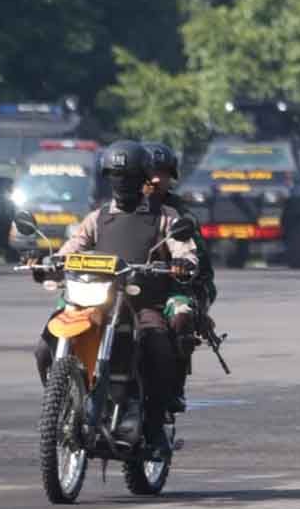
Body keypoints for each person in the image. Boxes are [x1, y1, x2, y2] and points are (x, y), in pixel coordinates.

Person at [33, 140, 197, 451]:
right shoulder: (96, 218)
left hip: (142, 302)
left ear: (142, 177)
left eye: (129, 176)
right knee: (44, 348)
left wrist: (182, 263)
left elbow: (185, 251)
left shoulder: (166, 216)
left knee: (158, 346)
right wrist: (47, 264)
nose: (121, 182)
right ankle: (61, 406)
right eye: (115, 175)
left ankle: (154, 425)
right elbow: (70, 251)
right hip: (96, 300)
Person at [142, 141, 218, 412]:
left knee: (180, 314)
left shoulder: (180, 215)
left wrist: (185, 268)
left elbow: (199, 264)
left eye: (161, 173)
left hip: (170, 287)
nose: (154, 179)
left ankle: (173, 386)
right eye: (149, 172)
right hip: (121, 287)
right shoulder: (112, 211)